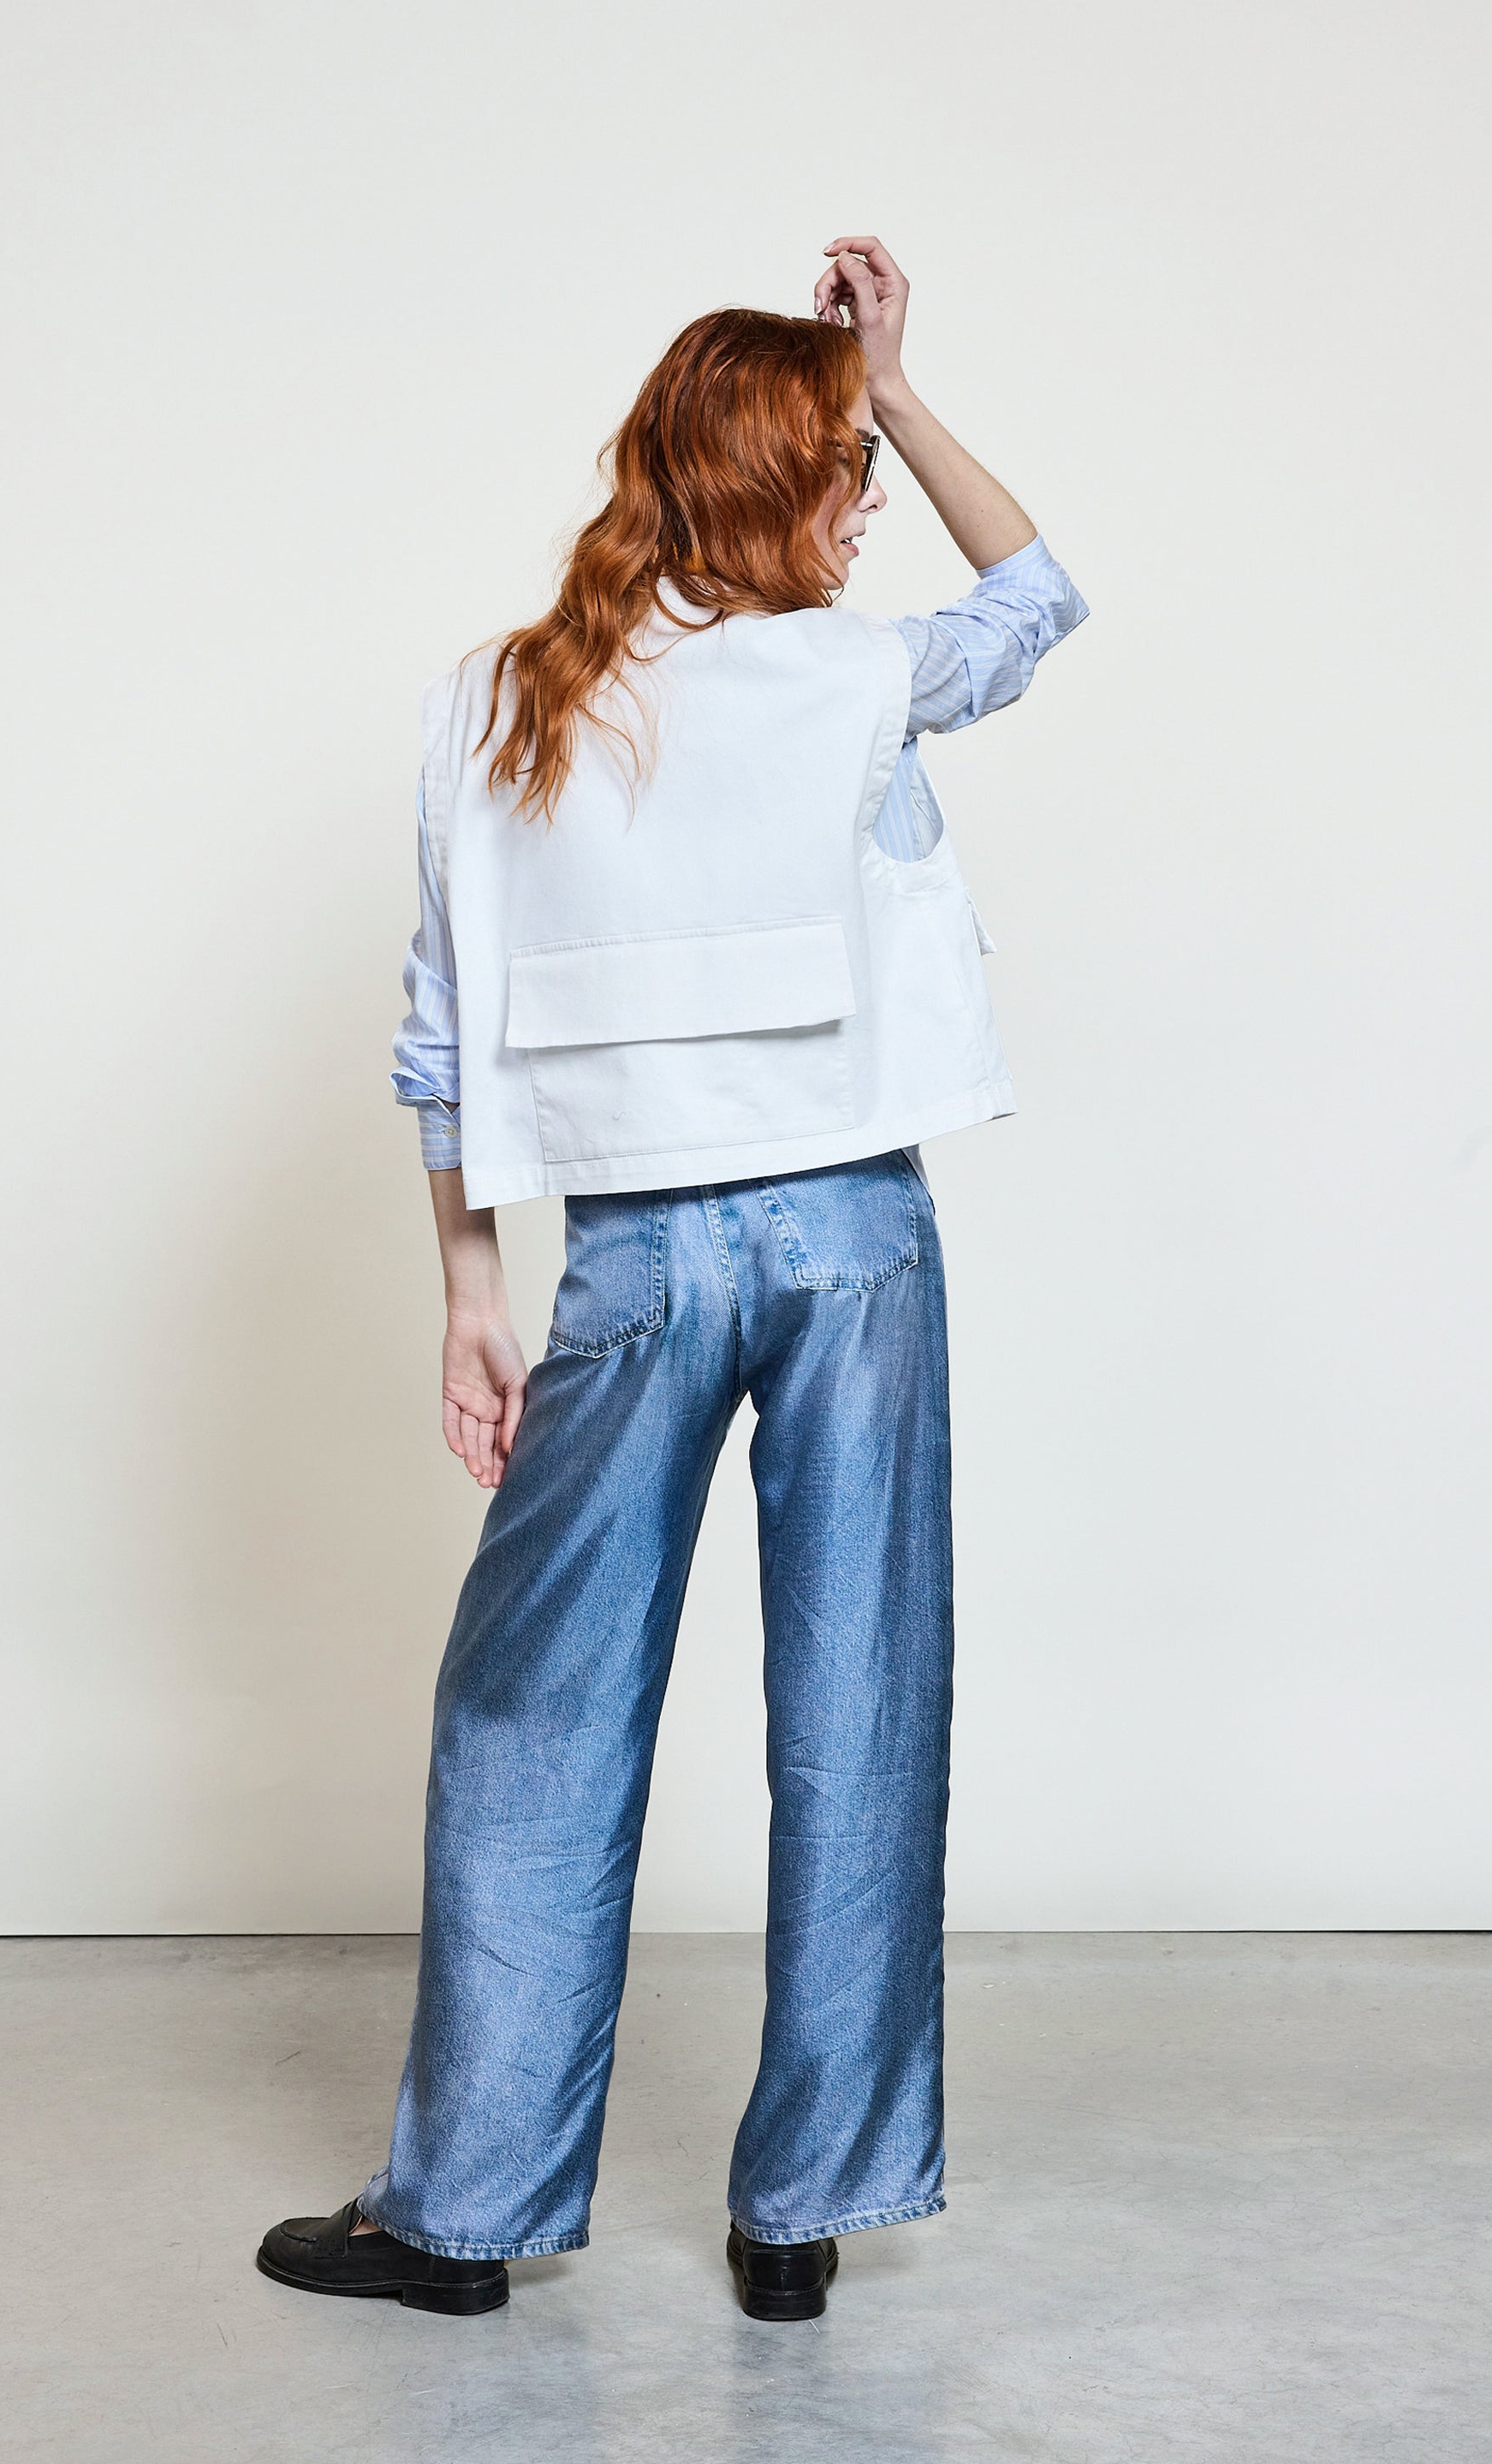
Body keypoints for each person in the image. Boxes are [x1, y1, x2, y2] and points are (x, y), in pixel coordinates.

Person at [258, 237, 1087, 2323]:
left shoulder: (497, 698)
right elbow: (1038, 592)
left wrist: (468, 1289)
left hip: (633, 1248)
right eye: (841, 469)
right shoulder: (856, 678)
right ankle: (801, 2210)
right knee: (862, 1699)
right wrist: (904, 383)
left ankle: (464, 2215)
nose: (866, 508)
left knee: (535, 1705)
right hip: (853, 1239)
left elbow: (440, 1032)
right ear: (764, 480)